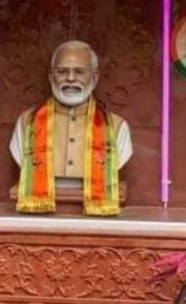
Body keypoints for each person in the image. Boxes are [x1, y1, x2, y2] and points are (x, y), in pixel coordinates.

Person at [10, 40, 132, 216]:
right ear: (51, 76)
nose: (70, 78)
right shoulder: (26, 123)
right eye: (62, 71)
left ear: (95, 77)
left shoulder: (117, 127)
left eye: (79, 71)